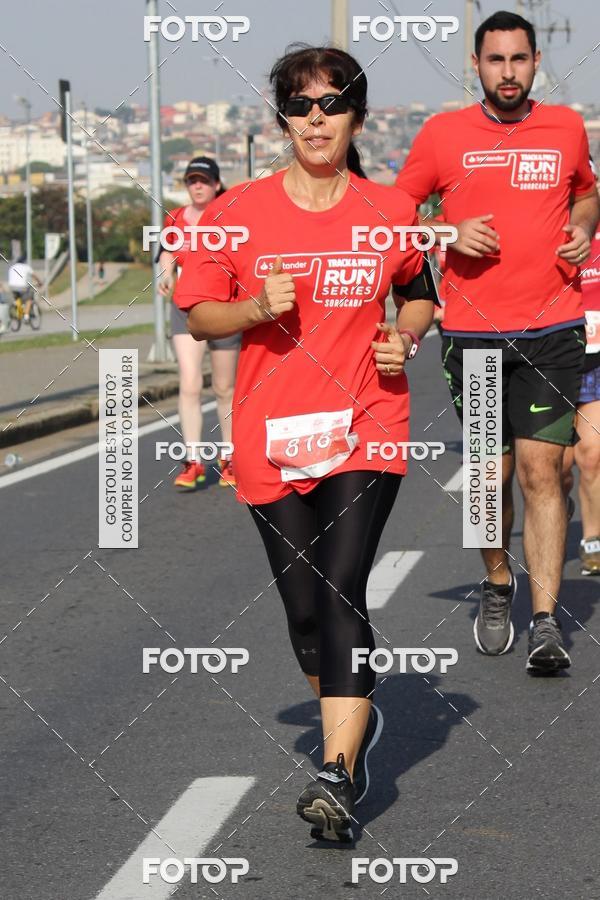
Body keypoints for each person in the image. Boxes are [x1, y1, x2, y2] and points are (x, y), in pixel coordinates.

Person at [176, 45, 437, 841]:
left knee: (340, 590)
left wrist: (405, 337)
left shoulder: (389, 209)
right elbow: (199, 313)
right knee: (301, 616)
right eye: (300, 105)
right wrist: (254, 306)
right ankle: (350, 723)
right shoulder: (234, 215)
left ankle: (336, 770)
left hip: (366, 422)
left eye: (332, 103)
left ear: (357, 116)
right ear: (283, 119)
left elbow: (419, 293)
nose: (315, 118)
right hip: (270, 432)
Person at [396, 11, 600, 673]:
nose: (507, 72)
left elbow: (589, 193)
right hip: (475, 332)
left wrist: (581, 224)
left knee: (547, 470)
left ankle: (544, 620)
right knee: (491, 477)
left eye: (518, 59)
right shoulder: (442, 134)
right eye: (495, 60)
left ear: (535, 62)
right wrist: (445, 232)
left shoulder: (566, 126)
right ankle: (497, 580)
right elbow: (394, 213)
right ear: (476, 65)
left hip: (553, 326)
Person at [158, 157, 240, 489]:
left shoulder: (231, 216)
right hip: (186, 309)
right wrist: (166, 271)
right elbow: (166, 250)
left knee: (224, 388)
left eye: (204, 180)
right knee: (190, 383)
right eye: (192, 181)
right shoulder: (175, 219)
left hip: (225, 309)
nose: (197, 186)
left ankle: (231, 457)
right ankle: (193, 461)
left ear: (217, 184)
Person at [563, 163, 600, 575]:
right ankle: (555, 510)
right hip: (550, 356)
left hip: (595, 357)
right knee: (560, 469)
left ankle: (592, 538)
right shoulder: (541, 232)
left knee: (592, 454)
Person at [8, 255, 40, 323]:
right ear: (24, 261)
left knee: (18, 299)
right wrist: (40, 282)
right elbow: (34, 275)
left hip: (12, 287)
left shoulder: (12, 267)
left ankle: (19, 312)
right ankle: (26, 316)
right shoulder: (26, 267)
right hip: (22, 287)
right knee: (29, 299)